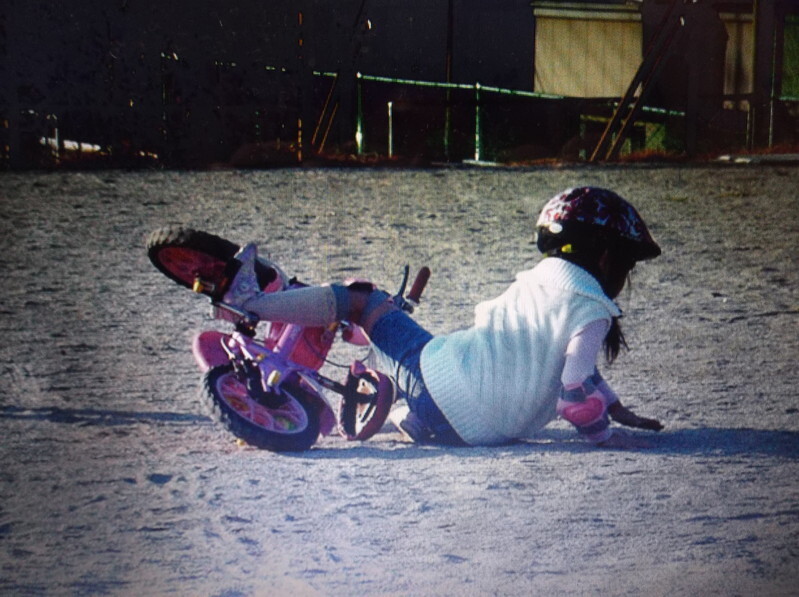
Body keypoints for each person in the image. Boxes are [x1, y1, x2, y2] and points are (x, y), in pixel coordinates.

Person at [221, 186, 664, 448]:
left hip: (442, 386)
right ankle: (411, 415)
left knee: (360, 299)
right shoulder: (591, 310)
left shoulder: (539, 282)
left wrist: (605, 434)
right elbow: (576, 380)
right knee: (446, 354)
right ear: (605, 259)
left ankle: (250, 304)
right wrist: (613, 413)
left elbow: (573, 400)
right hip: (475, 434)